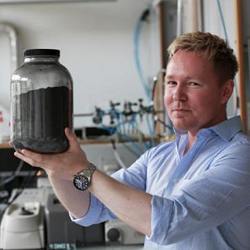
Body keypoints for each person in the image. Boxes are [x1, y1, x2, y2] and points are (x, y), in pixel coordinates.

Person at [14, 32, 250, 250]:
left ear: (225, 92)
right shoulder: (159, 156)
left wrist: (82, 170)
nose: (177, 96)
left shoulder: (240, 156)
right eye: (171, 83)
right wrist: (55, 164)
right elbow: (89, 206)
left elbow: (169, 224)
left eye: (193, 84)